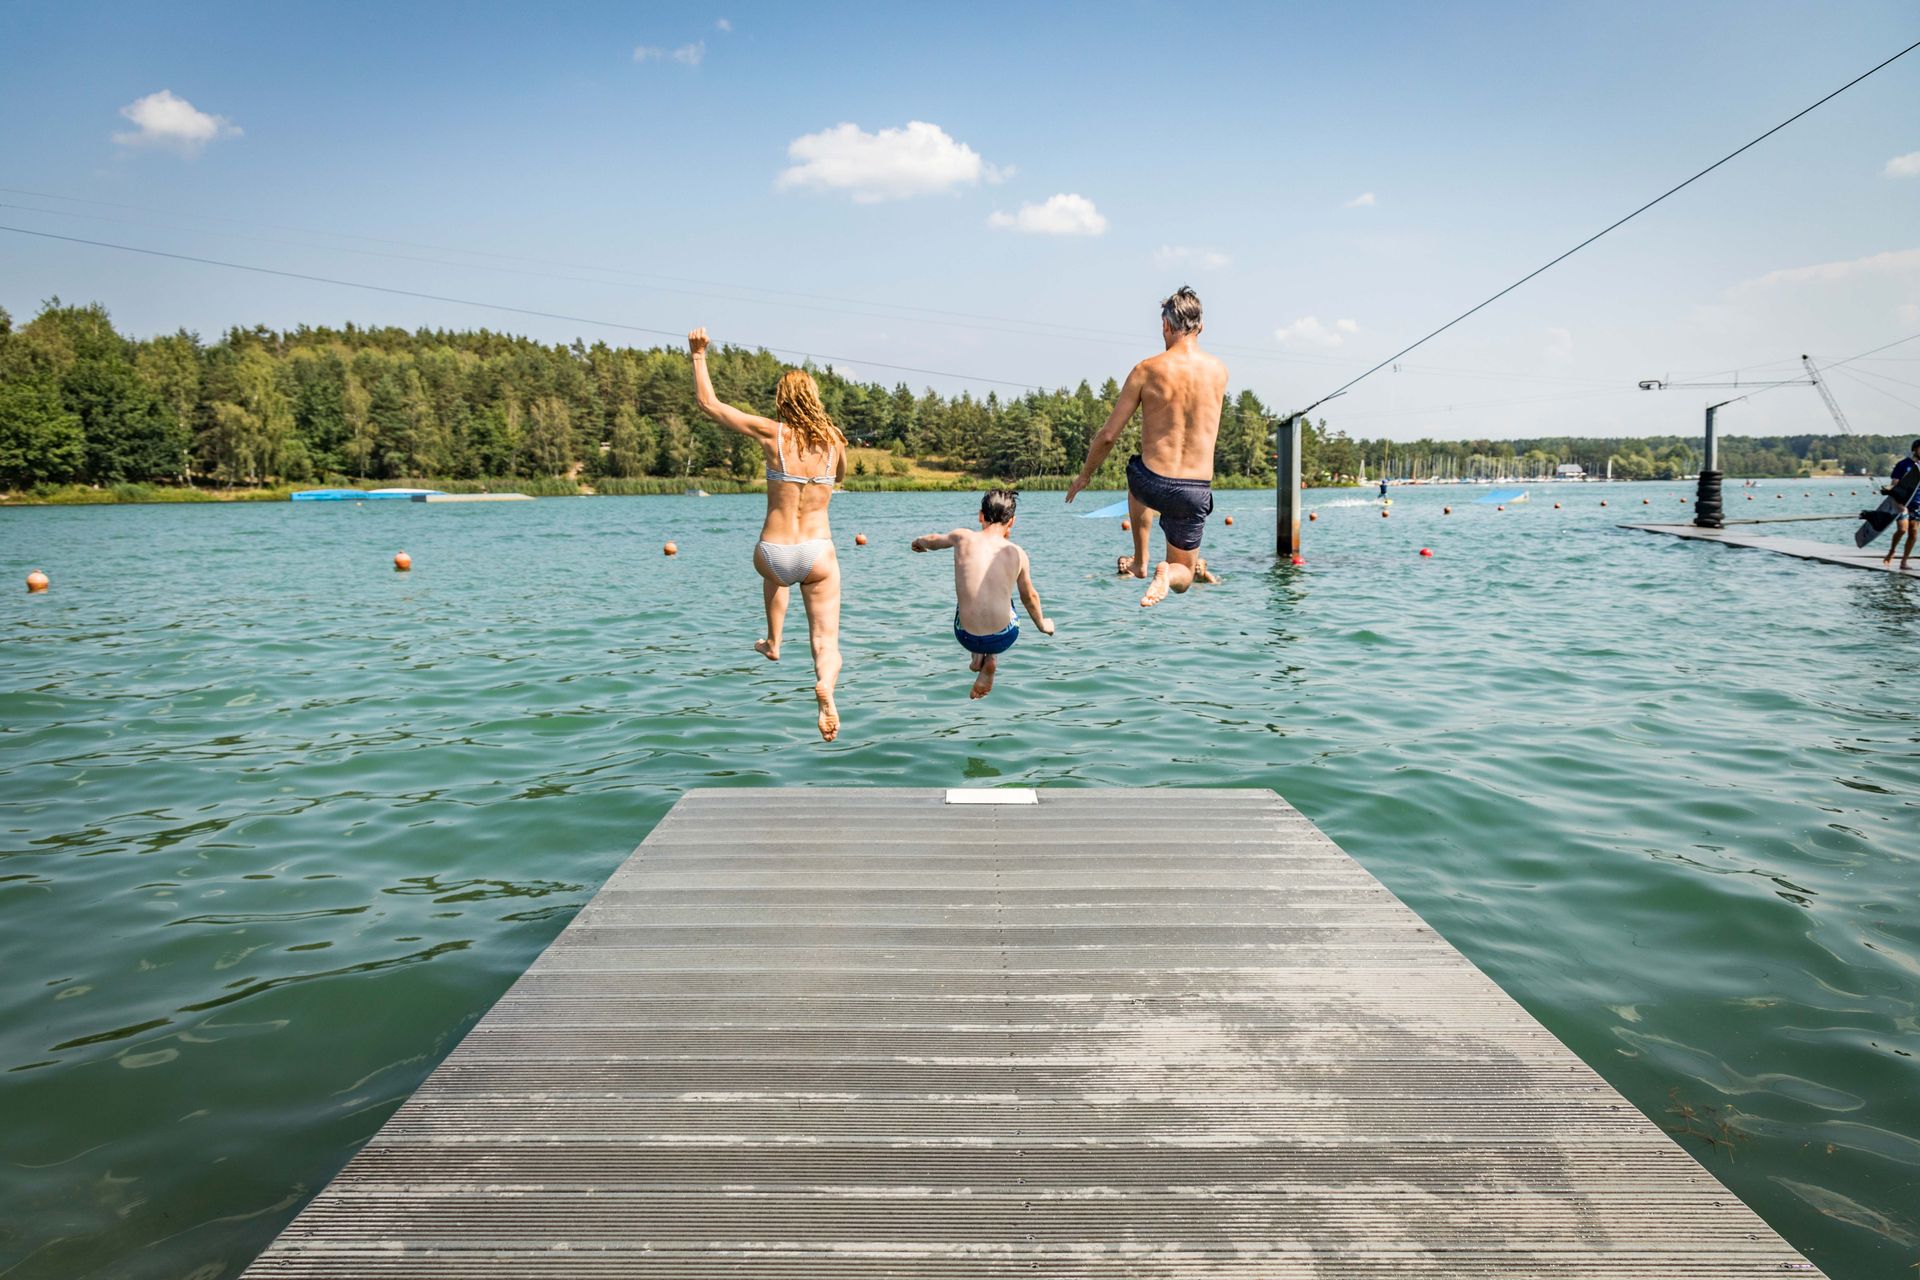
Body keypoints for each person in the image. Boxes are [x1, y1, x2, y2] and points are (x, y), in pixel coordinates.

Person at [688, 327, 846, 741]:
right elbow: (841, 477)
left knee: (775, 576)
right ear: (815, 399)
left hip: (773, 550)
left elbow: (709, 404)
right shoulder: (834, 444)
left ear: (782, 400)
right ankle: (825, 686)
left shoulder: (772, 433)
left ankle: (774, 641)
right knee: (826, 641)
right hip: (818, 553)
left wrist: (699, 355)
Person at [1064, 286, 1229, 606]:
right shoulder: (1219, 371)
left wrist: (1085, 475)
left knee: (1135, 474)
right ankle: (1166, 573)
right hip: (1195, 489)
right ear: (1201, 327)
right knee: (1185, 574)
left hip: (1151, 481)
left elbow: (1109, 434)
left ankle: (1140, 561)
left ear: (1166, 326)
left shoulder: (1146, 369)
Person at [911, 488, 1055, 699]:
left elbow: (933, 539)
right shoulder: (1018, 553)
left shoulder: (962, 537)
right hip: (1003, 637)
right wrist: (1043, 624)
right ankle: (990, 659)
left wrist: (919, 542)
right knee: (1005, 596)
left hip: (965, 636)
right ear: (1012, 522)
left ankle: (978, 658)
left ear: (981, 516)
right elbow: (1030, 597)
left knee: (970, 596)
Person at [1882, 439, 1920, 570]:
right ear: (1915, 449)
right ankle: (1892, 550)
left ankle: (1904, 561)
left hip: (1917, 503)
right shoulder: (1903, 465)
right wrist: (1897, 502)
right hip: (1901, 502)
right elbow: (1894, 484)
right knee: (1902, 529)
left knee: (1913, 532)